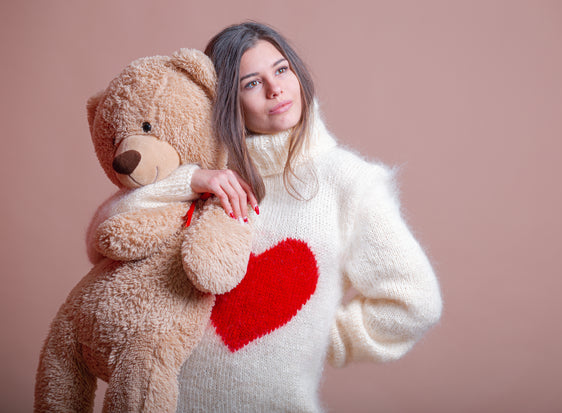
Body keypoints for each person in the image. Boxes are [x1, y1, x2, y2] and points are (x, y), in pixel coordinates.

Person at [89, 21, 442, 412]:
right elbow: (102, 236)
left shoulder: (349, 183)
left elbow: (416, 300)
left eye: (281, 69)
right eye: (251, 83)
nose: (276, 89)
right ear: (226, 100)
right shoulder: (201, 171)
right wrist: (191, 180)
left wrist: (325, 336)